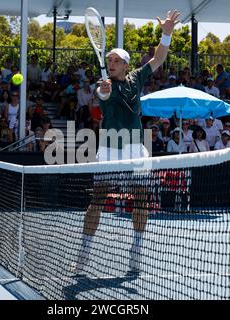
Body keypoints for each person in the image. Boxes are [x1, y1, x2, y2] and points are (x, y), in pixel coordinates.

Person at [73, 9, 181, 276]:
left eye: (116, 60)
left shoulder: (137, 78)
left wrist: (166, 34)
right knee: (97, 200)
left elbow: (158, 58)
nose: (110, 63)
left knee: (140, 199)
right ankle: (84, 253)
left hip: (135, 147)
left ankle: (136, 248)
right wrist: (103, 91)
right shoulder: (104, 86)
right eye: (108, 59)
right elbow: (102, 95)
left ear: (125, 64)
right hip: (109, 148)